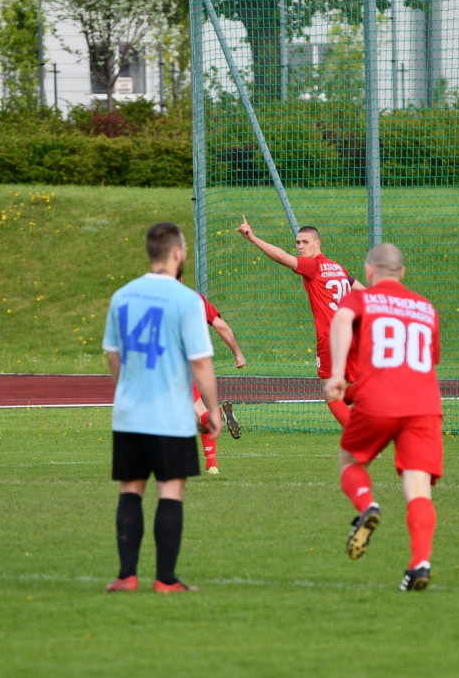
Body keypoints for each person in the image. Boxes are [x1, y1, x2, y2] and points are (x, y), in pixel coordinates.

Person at [102, 222, 221, 593]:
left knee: (130, 491)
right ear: (176, 253)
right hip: (171, 414)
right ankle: (166, 580)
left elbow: (113, 354)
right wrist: (213, 409)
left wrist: (127, 388)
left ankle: (126, 576)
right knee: (170, 493)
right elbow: (201, 362)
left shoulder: (122, 295)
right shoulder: (187, 300)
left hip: (130, 412)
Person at [324, 243, 443, 592]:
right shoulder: (426, 307)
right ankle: (419, 564)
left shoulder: (362, 299)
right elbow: (430, 359)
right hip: (424, 405)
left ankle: (367, 504)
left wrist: (336, 374)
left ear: (369, 271)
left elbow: (342, 319)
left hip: (377, 400)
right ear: (402, 273)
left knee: (349, 462)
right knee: (418, 488)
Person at [238, 215, 363, 427]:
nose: (300, 246)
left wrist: (253, 238)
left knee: (331, 396)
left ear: (318, 243)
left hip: (330, 337)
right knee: (346, 391)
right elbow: (364, 291)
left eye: (305, 242)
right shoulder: (339, 268)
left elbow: (281, 257)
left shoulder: (312, 266)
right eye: (298, 242)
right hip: (351, 337)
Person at [177, 272, 245, 475]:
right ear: (181, 278)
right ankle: (212, 464)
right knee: (203, 418)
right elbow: (220, 326)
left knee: (198, 413)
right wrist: (238, 354)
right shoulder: (196, 299)